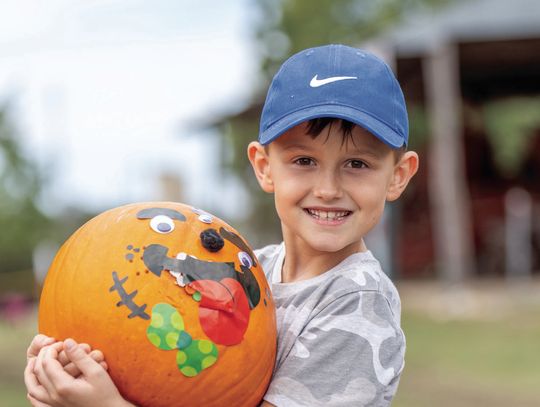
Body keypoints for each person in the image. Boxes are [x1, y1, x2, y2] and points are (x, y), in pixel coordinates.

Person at [25, 44, 419, 406]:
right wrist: (67, 377)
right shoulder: (251, 270)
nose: (328, 189)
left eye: (357, 164)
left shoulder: (357, 304)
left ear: (398, 176)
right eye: (304, 161)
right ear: (264, 167)